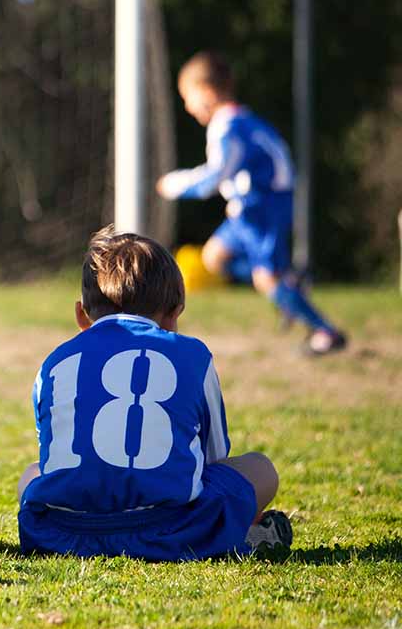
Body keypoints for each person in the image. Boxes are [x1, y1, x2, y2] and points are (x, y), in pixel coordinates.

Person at [17, 226, 292, 561]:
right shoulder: (193, 355)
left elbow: (53, 458)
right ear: (175, 314)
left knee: (31, 472)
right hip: (172, 531)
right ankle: (242, 532)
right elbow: (214, 458)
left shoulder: (53, 363)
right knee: (260, 468)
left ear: (81, 315)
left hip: (61, 534)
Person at [157, 50, 345, 356]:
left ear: (206, 92)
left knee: (265, 279)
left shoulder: (228, 127)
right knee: (214, 257)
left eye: (187, 98)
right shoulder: (243, 119)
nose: (188, 107)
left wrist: (174, 184)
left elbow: (214, 178)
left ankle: (326, 331)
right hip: (252, 206)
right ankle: (288, 285)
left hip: (262, 208)